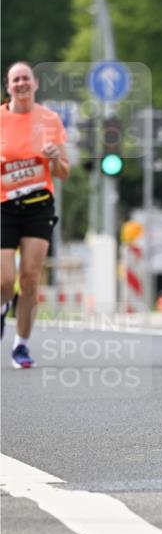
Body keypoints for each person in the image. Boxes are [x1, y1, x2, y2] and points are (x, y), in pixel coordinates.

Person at [1, 61, 69, 367]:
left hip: (39, 205)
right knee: (4, 280)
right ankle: (3, 308)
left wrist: (55, 159)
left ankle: (21, 346)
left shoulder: (50, 119)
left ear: (35, 83)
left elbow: (64, 172)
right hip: (4, 206)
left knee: (30, 279)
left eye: (26, 79)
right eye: (16, 80)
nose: (21, 84)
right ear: (8, 86)